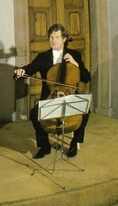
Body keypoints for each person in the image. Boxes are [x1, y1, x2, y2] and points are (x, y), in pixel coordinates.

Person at [14, 23, 90, 159]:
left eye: (57, 37)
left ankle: (75, 141)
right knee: (34, 114)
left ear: (64, 39)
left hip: (70, 96)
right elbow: (30, 68)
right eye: (51, 37)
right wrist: (21, 71)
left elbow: (86, 77)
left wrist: (76, 64)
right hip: (50, 97)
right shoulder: (43, 57)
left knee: (85, 111)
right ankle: (45, 145)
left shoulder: (74, 55)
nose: (53, 40)